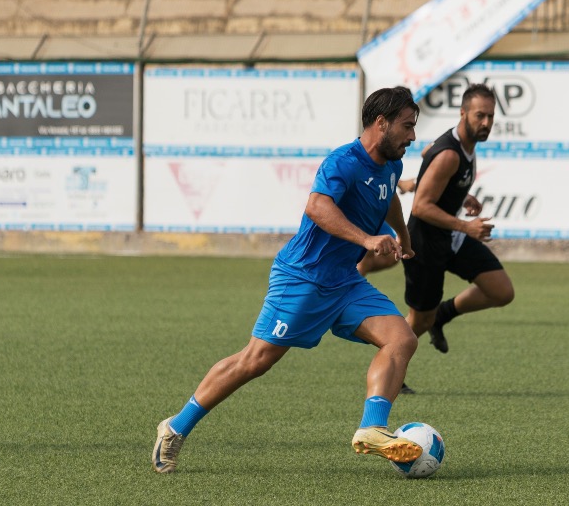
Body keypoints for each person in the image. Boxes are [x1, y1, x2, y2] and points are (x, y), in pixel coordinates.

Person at [152, 86, 423, 474]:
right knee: (255, 360)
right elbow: (317, 206)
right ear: (381, 123)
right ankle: (175, 427)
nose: (412, 136)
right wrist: (366, 239)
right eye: (407, 126)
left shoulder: (392, 164)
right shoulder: (343, 162)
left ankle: (373, 428)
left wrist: (404, 236)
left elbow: (389, 196)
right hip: (303, 278)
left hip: (344, 282)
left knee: (402, 339)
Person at [402, 83, 514, 364]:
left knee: (501, 291)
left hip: (449, 236)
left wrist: (461, 193)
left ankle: (443, 314)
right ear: (463, 113)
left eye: (490, 116)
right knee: (419, 320)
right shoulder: (449, 154)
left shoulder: (465, 145)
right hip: (425, 242)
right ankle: (390, 369)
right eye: (480, 115)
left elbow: (428, 157)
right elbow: (420, 207)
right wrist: (467, 227)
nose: (486, 122)